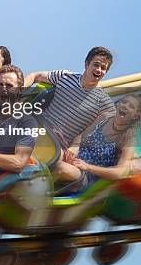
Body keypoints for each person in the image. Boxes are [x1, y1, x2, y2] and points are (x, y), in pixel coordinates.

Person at [24, 46, 116, 181]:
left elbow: (91, 131)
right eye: (96, 65)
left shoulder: (105, 104)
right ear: (86, 64)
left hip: (59, 145)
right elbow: (35, 75)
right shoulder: (65, 76)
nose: (99, 70)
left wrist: (75, 145)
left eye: (103, 68)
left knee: (50, 162)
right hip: (39, 127)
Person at [72, 95, 141, 185]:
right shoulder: (105, 117)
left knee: (60, 167)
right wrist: (74, 146)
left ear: (135, 116)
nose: (125, 106)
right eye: (124, 102)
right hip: (73, 159)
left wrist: (87, 167)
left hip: (86, 175)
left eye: (131, 106)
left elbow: (120, 173)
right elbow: (81, 135)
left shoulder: (129, 138)